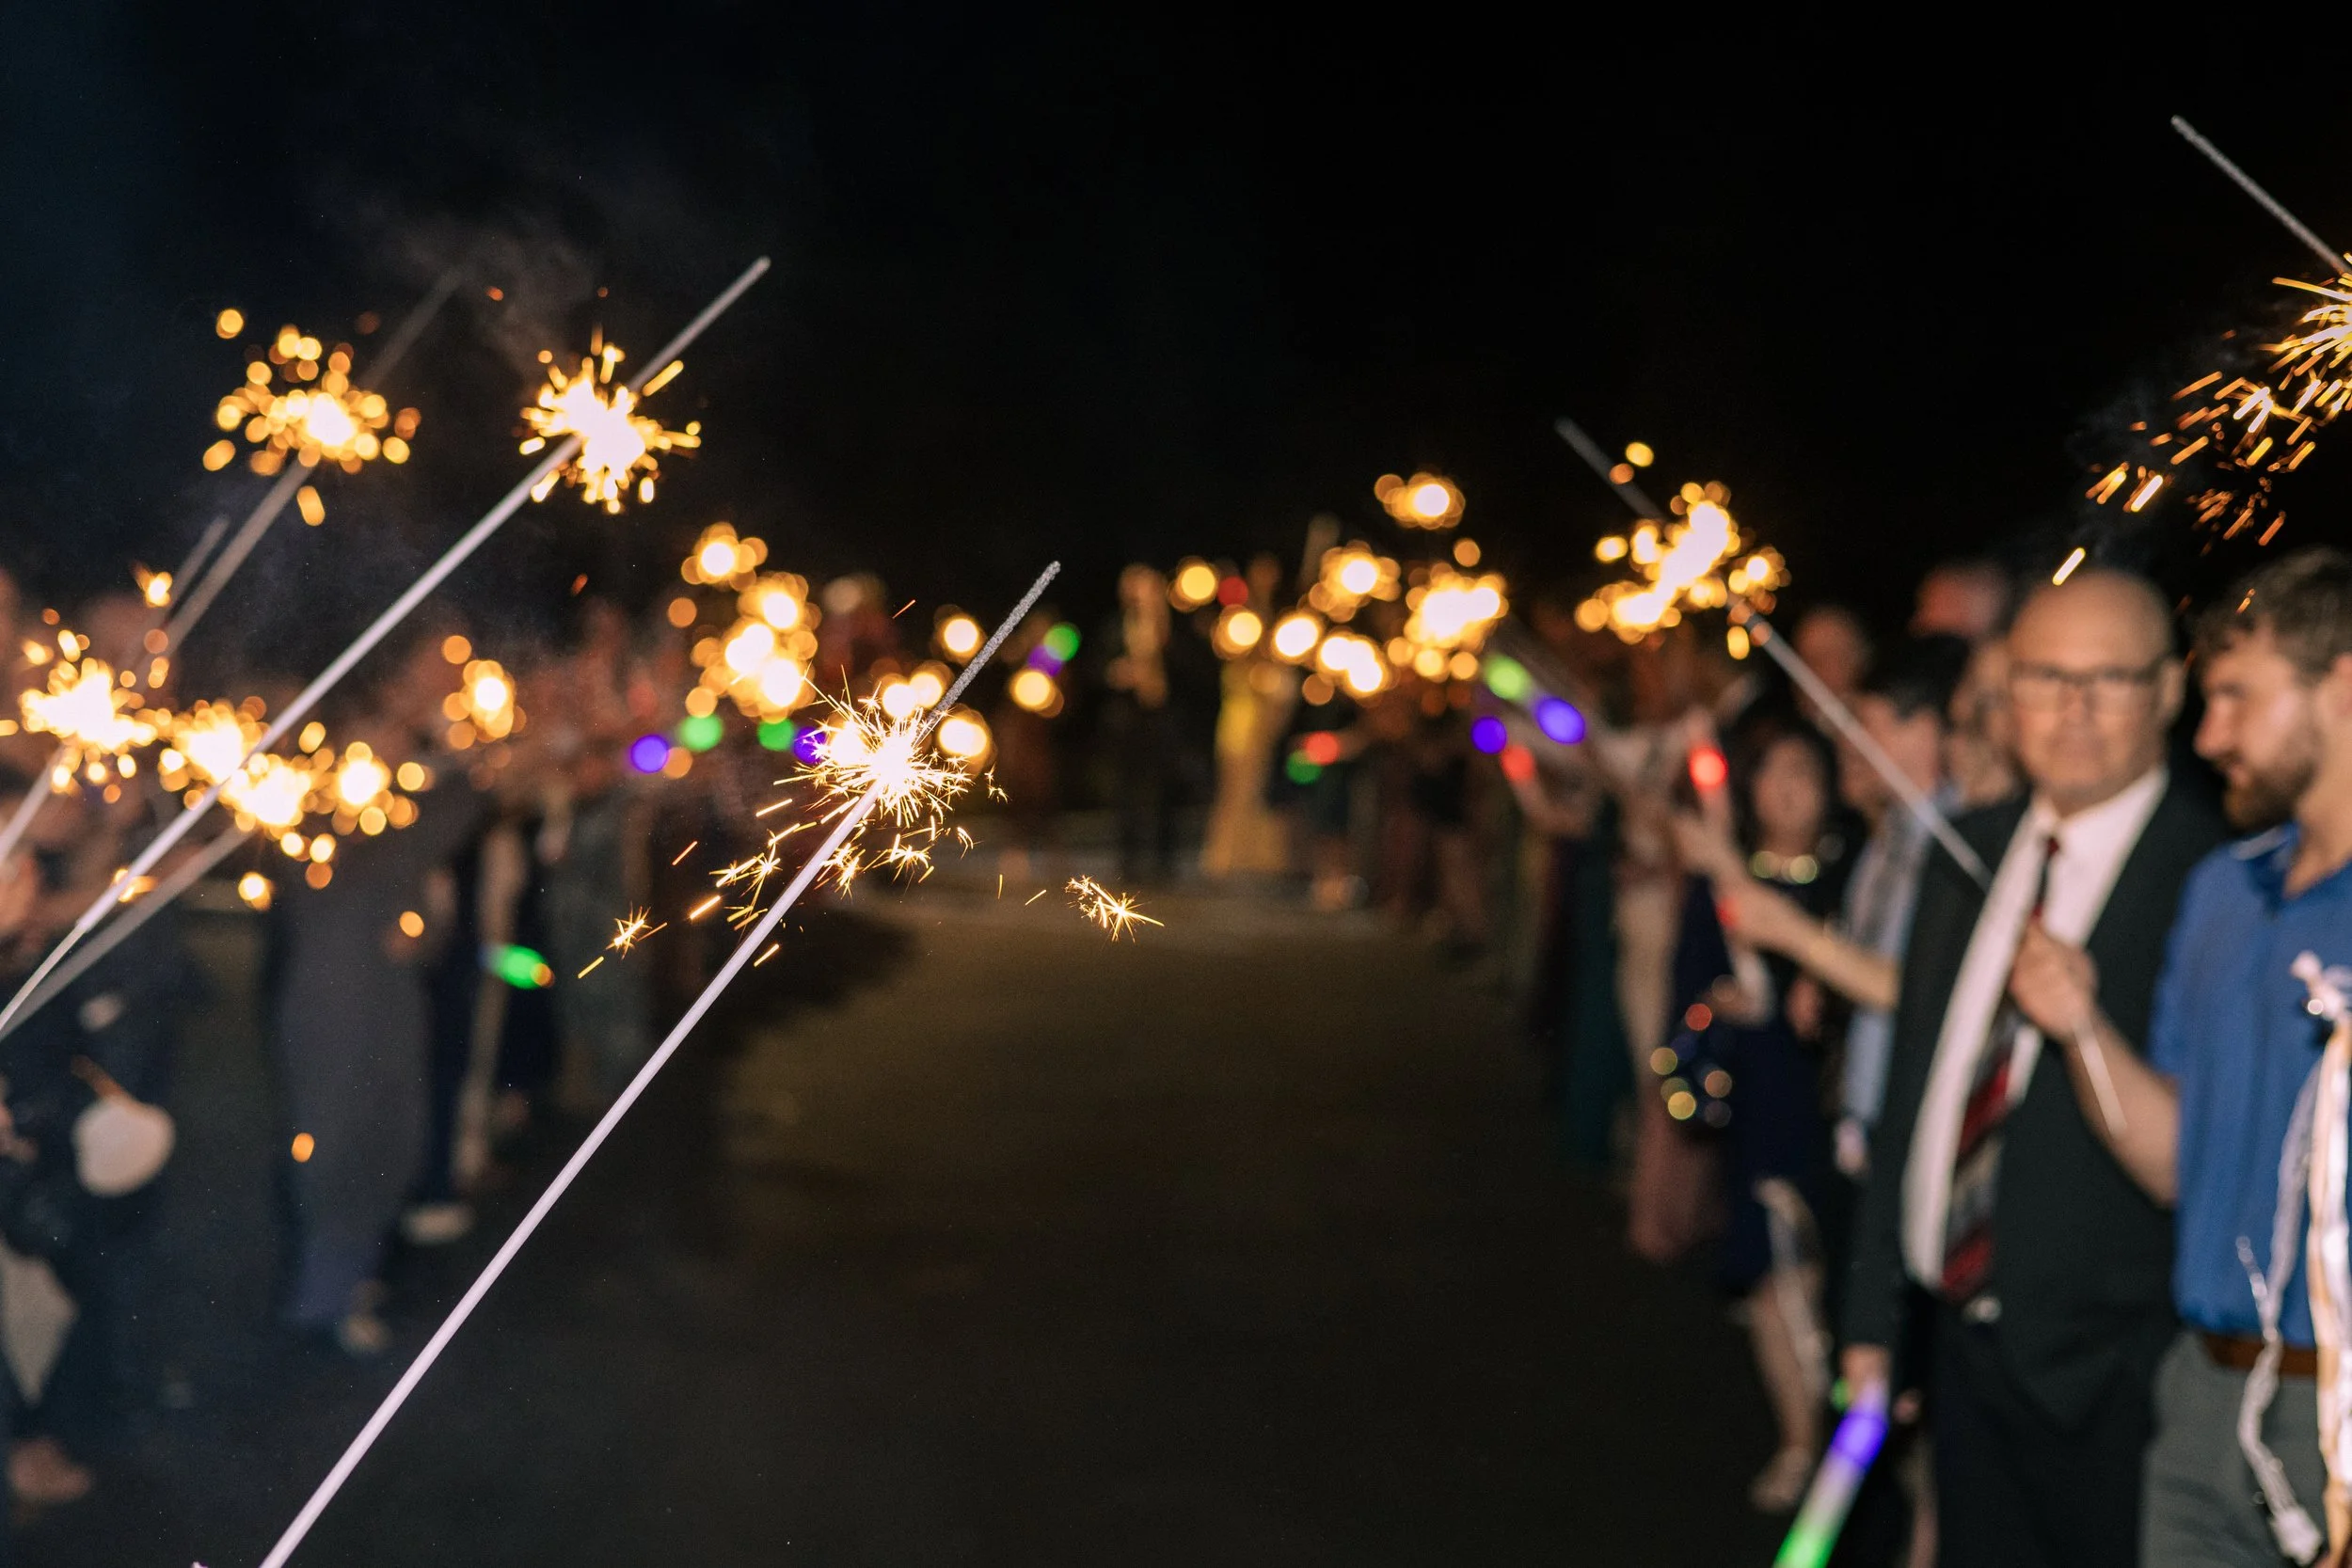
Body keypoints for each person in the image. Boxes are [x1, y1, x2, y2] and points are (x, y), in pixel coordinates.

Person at [1842, 568, 2226, 1567]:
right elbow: (1916, 1095)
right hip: (1960, 1353)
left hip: (2113, 1381)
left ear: (2170, 691)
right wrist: (1873, 1312)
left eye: (2110, 678)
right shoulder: (1965, 852)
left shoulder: (2214, 876)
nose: (2075, 709)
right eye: (2046, 677)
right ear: (2005, 694)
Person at [2006, 549, 2352, 1565]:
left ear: (2340, 687)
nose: (2208, 735)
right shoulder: (2220, 891)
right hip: (2199, 1389)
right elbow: (2171, 1163)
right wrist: (2079, 1026)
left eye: (2238, 697)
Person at [1668, 711, 1852, 1511]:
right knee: (1773, 1274)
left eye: (1805, 774)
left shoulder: (1852, 879)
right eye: (1773, 774)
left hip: (1830, 1103)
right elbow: (1687, 987)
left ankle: (1845, 1435)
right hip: (1762, 1100)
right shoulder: (1725, 884)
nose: (1788, 791)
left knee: (1826, 1270)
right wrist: (1715, 1003)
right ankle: (1799, 1438)